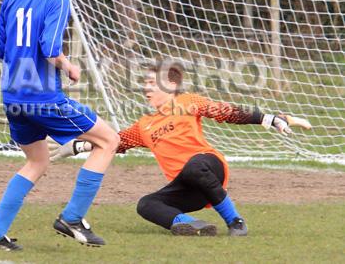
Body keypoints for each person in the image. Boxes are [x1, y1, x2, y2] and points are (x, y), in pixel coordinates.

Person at [0, 0, 119, 251]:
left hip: (12, 96)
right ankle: (72, 217)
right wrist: (68, 66)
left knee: (37, 162)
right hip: (42, 97)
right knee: (109, 140)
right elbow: (50, 48)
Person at [51, 63, 301, 237]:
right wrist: (77, 145)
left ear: (171, 85)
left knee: (193, 166)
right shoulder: (144, 125)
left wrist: (268, 118)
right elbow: (115, 142)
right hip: (188, 187)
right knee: (146, 204)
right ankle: (192, 225)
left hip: (209, 167)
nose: (146, 88)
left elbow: (226, 112)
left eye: (151, 83)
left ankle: (235, 220)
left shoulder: (187, 101)